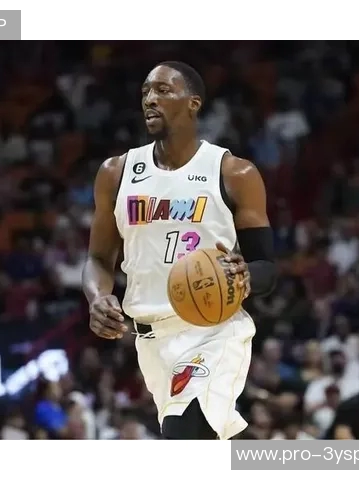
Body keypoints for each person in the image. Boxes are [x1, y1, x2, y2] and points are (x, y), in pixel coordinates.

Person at [82, 61, 277, 440]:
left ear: (193, 103)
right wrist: (98, 297)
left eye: (163, 90)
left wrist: (245, 276)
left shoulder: (233, 173)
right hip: (150, 340)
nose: (150, 99)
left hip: (212, 330)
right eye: (145, 92)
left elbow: (265, 265)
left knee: (185, 434)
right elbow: (98, 259)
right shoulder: (116, 173)